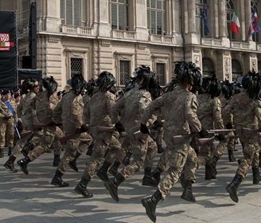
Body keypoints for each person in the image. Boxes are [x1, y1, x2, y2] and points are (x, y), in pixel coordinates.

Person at [140, 61, 202, 223]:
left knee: (192, 159)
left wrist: (143, 124)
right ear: (190, 82)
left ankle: (187, 189)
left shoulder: (168, 95)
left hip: (169, 135)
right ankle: (154, 200)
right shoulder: (189, 96)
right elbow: (190, 114)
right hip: (181, 137)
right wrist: (199, 128)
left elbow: (150, 107)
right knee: (175, 170)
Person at [104, 66, 160, 202]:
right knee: (138, 162)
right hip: (139, 132)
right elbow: (144, 109)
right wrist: (151, 121)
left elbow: (115, 108)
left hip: (129, 128)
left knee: (153, 147)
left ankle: (147, 176)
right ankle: (115, 181)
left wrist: (117, 122)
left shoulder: (129, 93)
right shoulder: (145, 94)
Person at [223, 71, 261, 203]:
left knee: (252, 151)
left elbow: (225, 111)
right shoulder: (255, 99)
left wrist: (228, 123)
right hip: (252, 132)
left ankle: (256, 176)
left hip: (240, 131)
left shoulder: (235, 97)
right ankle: (234, 184)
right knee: (248, 158)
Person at [74, 72, 122, 198]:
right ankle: (82, 184)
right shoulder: (109, 96)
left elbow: (86, 112)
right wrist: (117, 123)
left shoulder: (94, 96)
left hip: (95, 129)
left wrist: (90, 125)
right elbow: (113, 112)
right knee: (95, 159)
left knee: (117, 146)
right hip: (105, 131)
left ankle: (104, 169)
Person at [50, 74, 91, 187]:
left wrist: (59, 121)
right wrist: (81, 125)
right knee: (68, 154)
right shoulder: (76, 98)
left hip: (68, 127)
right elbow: (75, 113)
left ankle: (74, 158)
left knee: (88, 139)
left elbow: (57, 110)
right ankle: (57, 176)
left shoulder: (66, 96)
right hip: (75, 129)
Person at [17, 77, 61, 174]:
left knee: (61, 137)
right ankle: (25, 161)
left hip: (43, 121)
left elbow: (32, 105)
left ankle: (58, 159)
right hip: (50, 123)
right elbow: (54, 109)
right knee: (45, 145)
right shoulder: (51, 96)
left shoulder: (39, 95)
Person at [4, 78, 40, 172]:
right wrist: (37, 123)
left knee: (22, 141)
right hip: (30, 122)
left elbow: (19, 108)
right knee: (42, 135)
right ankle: (11, 161)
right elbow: (34, 112)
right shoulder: (34, 97)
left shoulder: (26, 96)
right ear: (32, 88)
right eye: (36, 86)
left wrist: (21, 118)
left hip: (25, 120)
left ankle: (11, 160)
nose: (38, 87)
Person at [0, 90, 18, 158]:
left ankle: (10, 149)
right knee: (1, 135)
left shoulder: (13, 102)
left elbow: (15, 112)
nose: (8, 96)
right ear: (3, 95)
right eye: (6, 95)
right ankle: (1, 151)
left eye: (9, 94)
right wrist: (3, 116)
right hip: (3, 121)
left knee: (11, 135)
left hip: (11, 121)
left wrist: (16, 120)